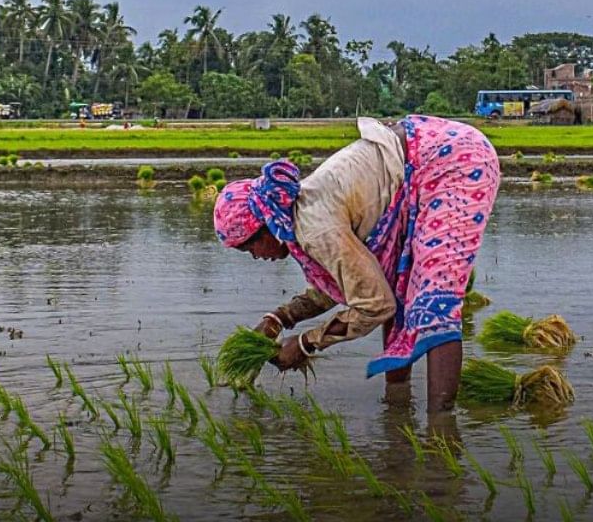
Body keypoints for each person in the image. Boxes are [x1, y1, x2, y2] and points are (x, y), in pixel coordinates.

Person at [212, 115, 500, 410]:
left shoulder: (314, 228)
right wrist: (279, 318)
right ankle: (397, 402)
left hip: (451, 162)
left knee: (434, 302)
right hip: (414, 159)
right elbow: (345, 281)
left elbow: (375, 305)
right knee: (394, 282)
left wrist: (305, 344)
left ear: (265, 225)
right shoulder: (299, 216)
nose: (258, 257)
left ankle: (442, 431)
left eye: (251, 248)